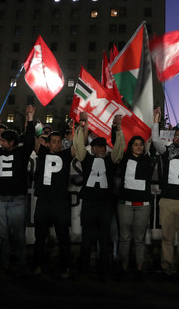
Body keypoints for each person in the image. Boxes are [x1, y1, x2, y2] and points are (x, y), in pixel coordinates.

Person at [74, 112, 124, 277]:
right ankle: (83, 268)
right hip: (89, 203)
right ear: (93, 148)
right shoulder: (86, 159)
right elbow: (79, 147)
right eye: (99, 146)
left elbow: (118, 152)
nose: (102, 149)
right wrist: (82, 126)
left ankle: (103, 269)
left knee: (104, 239)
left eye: (103, 146)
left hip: (105, 204)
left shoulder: (111, 160)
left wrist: (118, 129)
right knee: (87, 238)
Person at [152, 106, 179, 277]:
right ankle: (167, 268)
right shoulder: (166, 151)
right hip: (167, 200)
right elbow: (156, 141)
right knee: (167, 237)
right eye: (176, 135)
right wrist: (156, 121)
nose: (178, 138)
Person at [0, 105, 35, 274]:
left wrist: (30, 117)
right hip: (1, 199)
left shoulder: (22, 153)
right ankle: (5, 262)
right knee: (4, 235)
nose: (1, 142)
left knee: (18, 235)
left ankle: (21, 262)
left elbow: (31, 139)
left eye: (4, 140)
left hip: (17, 199)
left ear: (11, 142)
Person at [32, 129, 75, 278]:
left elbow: (78, 147)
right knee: (40, 237)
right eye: (54, 142)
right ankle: (38, 265)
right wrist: (30, 121)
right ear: (48, 144)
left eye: (59, 142)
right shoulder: (43, 153)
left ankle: (65, 267)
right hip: (44, 200)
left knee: (63, 237)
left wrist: (82, 127)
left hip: (60, 202)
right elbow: (32, 141)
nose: (57, 145)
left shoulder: (65, 155)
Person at [117, 135, 154, 277]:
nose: (139, 147)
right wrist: (118, 129)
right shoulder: (123, 159)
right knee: (125, 238)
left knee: (139, 239)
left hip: (143, 205)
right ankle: (123, 267)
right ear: (130, 146)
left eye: (141, 144)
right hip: (125, 204)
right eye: (135, 144)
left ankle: (139, 269)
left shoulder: (148, 160)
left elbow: (154, 142)